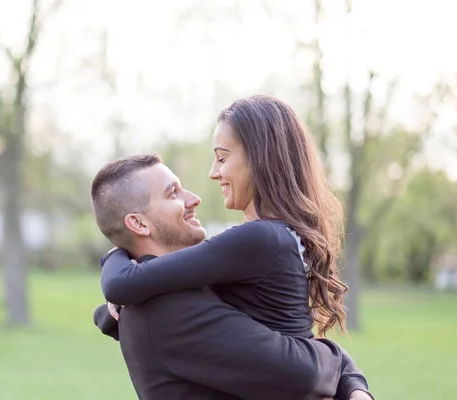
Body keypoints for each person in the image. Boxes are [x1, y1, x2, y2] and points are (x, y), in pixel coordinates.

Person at [91, 154, 373, 399]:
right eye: (172, 193)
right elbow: (304, 373)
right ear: (138, 223)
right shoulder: (168, 308)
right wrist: (342, 366)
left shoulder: (165, 292)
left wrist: (352, 385)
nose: (193, 198)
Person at [101, 95, 347, 339]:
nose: (213, 172)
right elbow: (176, 302)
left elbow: (121, 285)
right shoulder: (279, 239)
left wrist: (116, 254)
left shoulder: (260, 239)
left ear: (259, 159)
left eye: (222, 158)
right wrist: (108, 312)